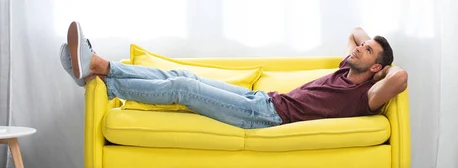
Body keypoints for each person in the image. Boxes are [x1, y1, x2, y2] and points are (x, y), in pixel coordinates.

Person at [59, 21, 407, 129]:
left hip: (266, 116)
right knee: (183, 74)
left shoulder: (366, 96)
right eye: (362, 48)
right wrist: (370, 48)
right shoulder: (347, 67)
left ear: (377, 68)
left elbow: (401, 77)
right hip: (262, 100)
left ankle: (99, 74)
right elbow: (357, 31)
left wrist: (385, 69)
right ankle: (101, 69)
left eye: (368, 52)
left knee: (183, 88)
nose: (359, 49)